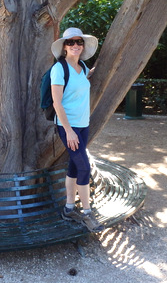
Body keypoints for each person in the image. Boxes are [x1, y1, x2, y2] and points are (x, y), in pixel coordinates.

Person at [50, 27, 104, 233]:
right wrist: (69, 131)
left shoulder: (82, 65)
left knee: (74, 165)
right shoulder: (59, 69)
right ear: (64, 46)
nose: (75, 45)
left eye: (78, 42)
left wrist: (92, 71)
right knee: (84, 167)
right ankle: (88, 213)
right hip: (68, 127)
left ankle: (69, 208)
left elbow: (80, 84)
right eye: (70, 42)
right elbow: (57, 103)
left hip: (83, 124)